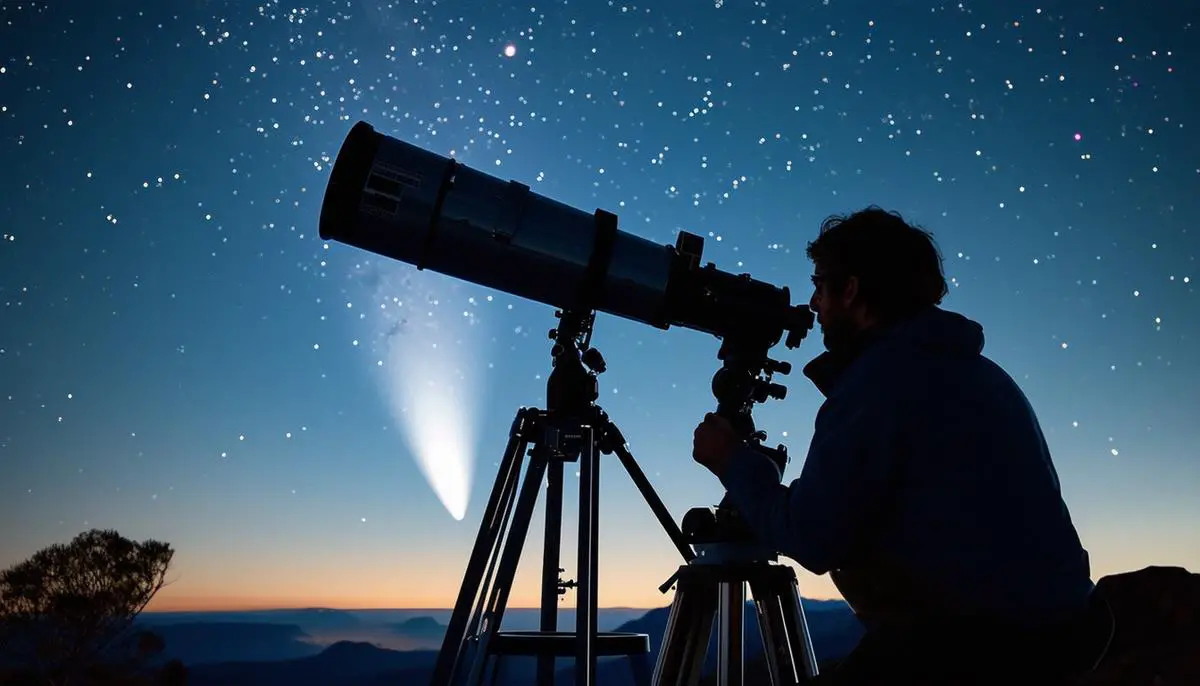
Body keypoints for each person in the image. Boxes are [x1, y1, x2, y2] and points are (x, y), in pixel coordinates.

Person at [691, 207, 1098, 684]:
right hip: (1060, 639)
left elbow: (814, 537)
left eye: (821, 284)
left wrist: (733, 463)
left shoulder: (878, 386)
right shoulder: (982, 375)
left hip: (971, 651)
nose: (814, 302)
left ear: (852, 289)